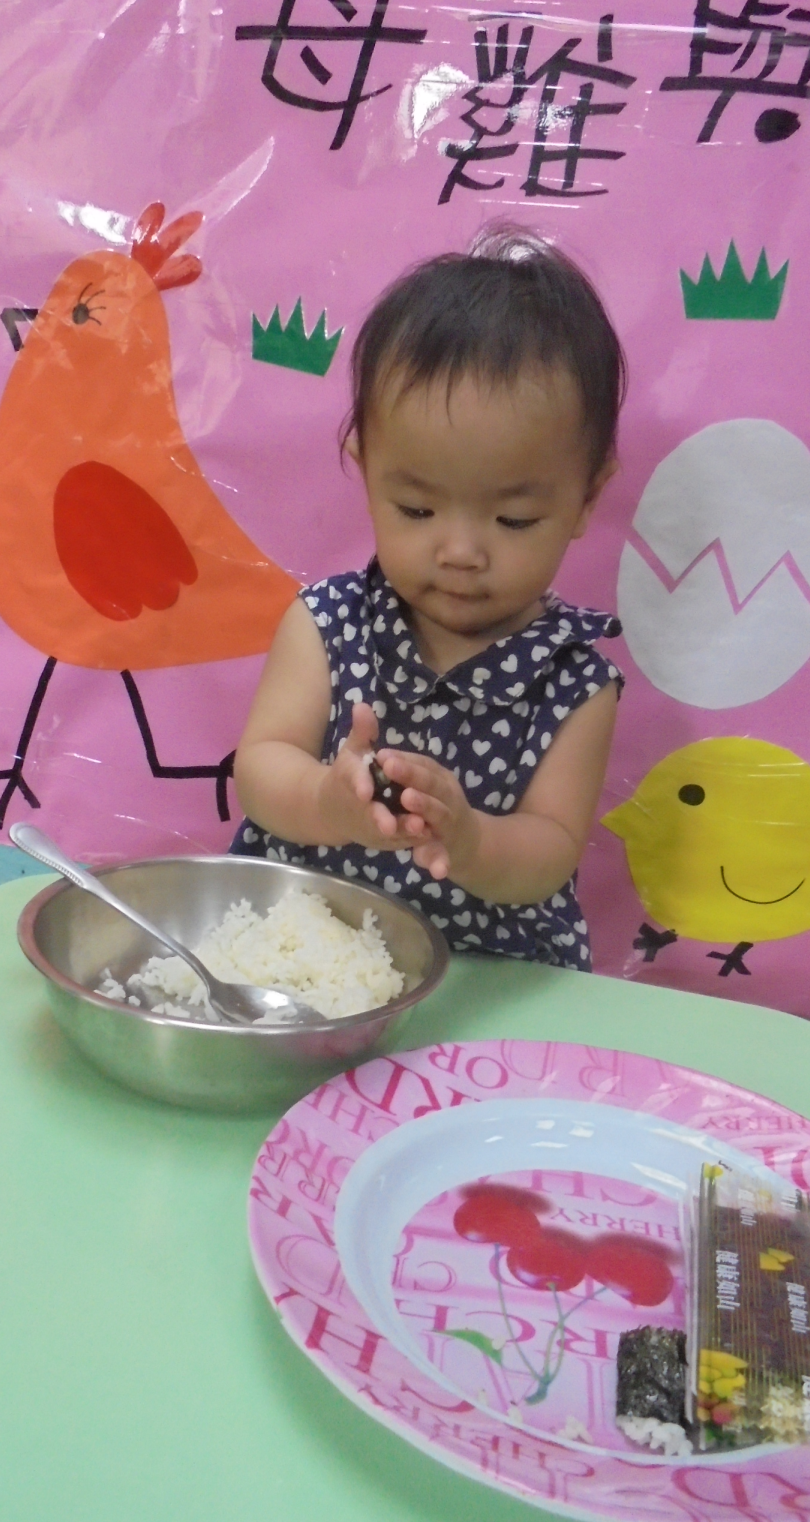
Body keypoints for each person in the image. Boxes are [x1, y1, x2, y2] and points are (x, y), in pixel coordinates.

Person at [230, 227, 626, 969]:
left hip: (490, 977)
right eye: (417, 509)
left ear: (586, 497)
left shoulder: (576, 682)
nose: (461, 552)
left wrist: (473, 842)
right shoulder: (327, 624)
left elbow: (551, 846)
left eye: (514, 519)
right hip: (309, 954)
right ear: (365, 467)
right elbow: (260, 765)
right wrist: (327, 802)